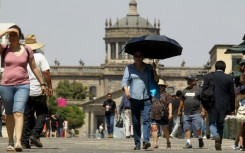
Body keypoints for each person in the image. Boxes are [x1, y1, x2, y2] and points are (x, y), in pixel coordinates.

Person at [0, 25, 46, 152]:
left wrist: (42, 83)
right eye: (10, 34)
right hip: (5, 86)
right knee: (9, 115)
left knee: (19, 112)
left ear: (20, 36)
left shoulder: (27, 49)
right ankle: (10, 141)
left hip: (23, 85)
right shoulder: (4, 48)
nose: (12, 36)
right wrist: (7, 31)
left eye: (15, 34)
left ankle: (18, 142)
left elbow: (34, 67)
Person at [121, 51, 159, 150]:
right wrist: (126, 91)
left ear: (143, 57)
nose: (138, 58)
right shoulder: (129, 68)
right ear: (133, 57)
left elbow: (156, 80)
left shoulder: (149, 67)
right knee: (136, 121)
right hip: (134, 98)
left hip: (146, 97)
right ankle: (137, 142)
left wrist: (155, 70)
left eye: (140, 56)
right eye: (136, 56)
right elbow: (124, 81)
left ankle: (146, 140)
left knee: (146, 119)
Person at [21, 34, 53, 149]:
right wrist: (49, 86)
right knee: (42, 112)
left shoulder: (21, 56)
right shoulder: (40, 56)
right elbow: (46, 73)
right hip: (37, 90)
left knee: (26, 116)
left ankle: (24, 141)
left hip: (24, 90)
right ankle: (35, 134)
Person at [202, 60, 235, 151]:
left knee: (212, 123)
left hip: (211, 104)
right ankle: (219, 142)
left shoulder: (208, 76)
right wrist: (232, 107)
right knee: (220, 124)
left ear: (215, 67)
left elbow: (203, 92)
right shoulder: (229, 78)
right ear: (224, 68)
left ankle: (215, 135)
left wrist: (204, 105)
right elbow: (232, 94)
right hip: (224, 105)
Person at [177, 75, 205, 149]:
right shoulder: (185, 90)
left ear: (194, 81)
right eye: (187, 80)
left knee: (198, 128)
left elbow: (203, 101)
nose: (188, 81)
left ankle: (200, 138)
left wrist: (203, 111)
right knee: (187, 128)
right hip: (186, 113)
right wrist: (179, 110)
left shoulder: (199, 90)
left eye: (189, 80)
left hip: (196, 112)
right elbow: (182, 101)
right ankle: (188, 143)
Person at [151, 79, 172, 149]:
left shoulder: (167, 95)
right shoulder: (152, 94)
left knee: (164, 129)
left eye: (161, 86)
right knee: (154, 128)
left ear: (164, 87)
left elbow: (169, 104)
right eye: (158, 86)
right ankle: (155, 143)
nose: (159, 87)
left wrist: (170, 113)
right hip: (153, 113)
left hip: (163, 114)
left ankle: (168, 141)